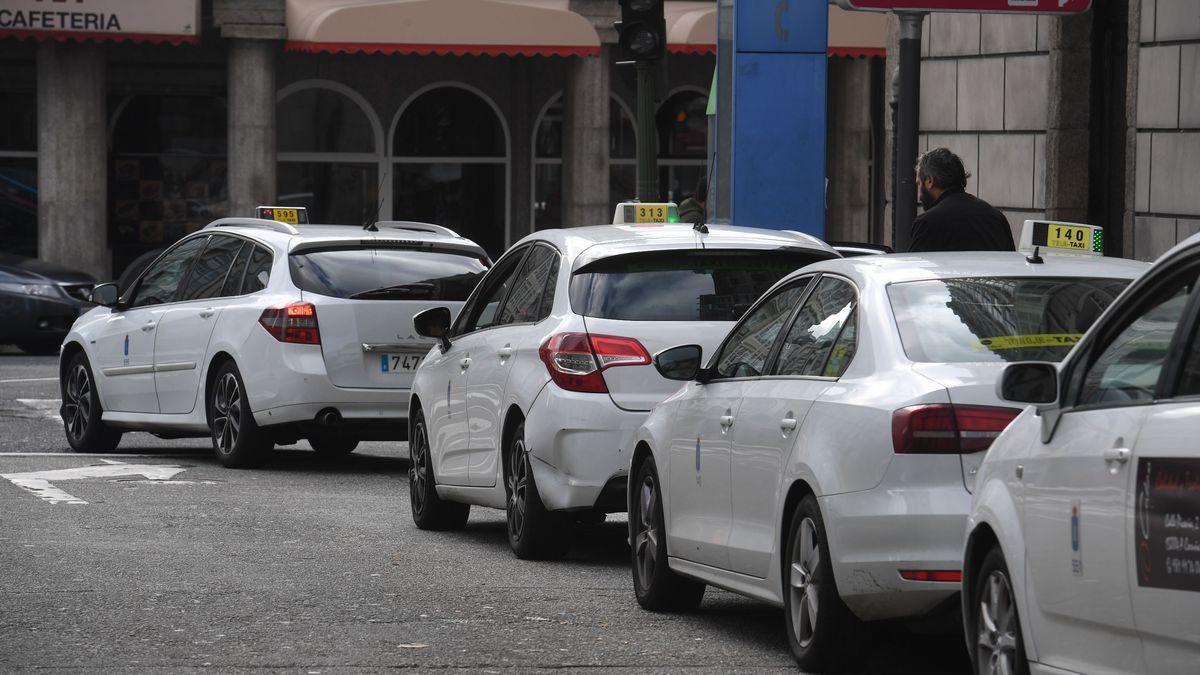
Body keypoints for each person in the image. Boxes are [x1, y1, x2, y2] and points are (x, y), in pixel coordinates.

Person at [909, 147, 1015, 253]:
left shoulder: (927, 223)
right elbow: (1012, 265)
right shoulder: (996, 218)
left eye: (919, 184)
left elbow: (916, 267)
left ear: (929, 181)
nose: (919, 196)